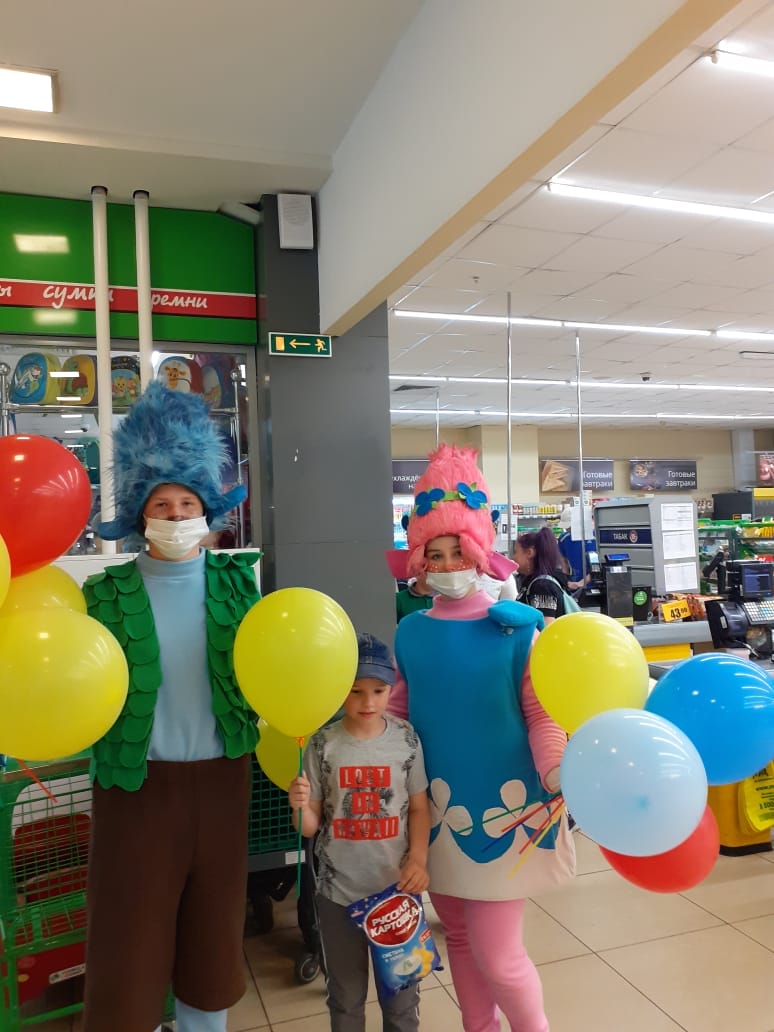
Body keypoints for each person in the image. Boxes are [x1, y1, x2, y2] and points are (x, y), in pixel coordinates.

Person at [82, 382, 260, 1032]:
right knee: (127, 952)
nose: (177, 515)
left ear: (207, 507)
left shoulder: (238, 586)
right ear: (141, 511)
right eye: (162, 503)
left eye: (188, 503)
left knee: (211, 946)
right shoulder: (103, 595)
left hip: (222, 783)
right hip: (135, 790)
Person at [390, 444, 575, 1032]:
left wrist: (556, 771)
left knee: (499, 954)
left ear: (478, 551)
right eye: (435, 554)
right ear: (420, 561)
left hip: (508, 806)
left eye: (457, 551)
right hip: (435, 813)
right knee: (461, 939)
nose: (447, 565)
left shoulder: (514, 632)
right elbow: (398, 716)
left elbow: (541, 714)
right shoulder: (411, 633)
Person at [288, 633, 431, 1032]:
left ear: (391, 689)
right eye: (355, 691)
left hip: (397, 894)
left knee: (402, 1000)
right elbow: (311, 825)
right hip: (338, 895)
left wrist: (419, 859)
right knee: (345, 999)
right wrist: (299, 807)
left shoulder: (406, 739)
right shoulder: (322, 744)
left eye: (378, 691)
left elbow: (420, 808)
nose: (368, 702)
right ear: (340, 690)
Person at [513, 526, 570, 623]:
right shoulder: (536, 581)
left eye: (515, 552)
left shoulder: (542, 587)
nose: (513, 557)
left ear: (529, 553)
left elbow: (545, 626)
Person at [557, 508, 594, 590]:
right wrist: (565, 581)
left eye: (569, 526)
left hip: (594, 585)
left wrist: (580, 583)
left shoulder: (594, 538)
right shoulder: (564, 539)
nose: (567, 529)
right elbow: (564, 562)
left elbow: (598, 567)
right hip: (573, 585)